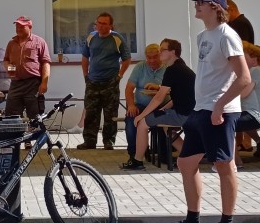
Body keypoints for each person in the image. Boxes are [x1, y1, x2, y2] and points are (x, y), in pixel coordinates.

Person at [163, 0, 251, 223]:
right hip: (201, 109)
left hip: (219, 111)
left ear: (214, 7)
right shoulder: (203, 36)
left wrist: (219, 106)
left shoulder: (227, 35)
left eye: (200, 3)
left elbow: (244, 78)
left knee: (224, 165)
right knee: (185, 163)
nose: (196, 6)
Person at [123, 39, 192, 170]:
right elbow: (179, 96)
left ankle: (137, 161)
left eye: (162, 50)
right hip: (188, 112)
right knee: (166, 128)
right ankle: (189, 156)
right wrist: (164, 108)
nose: (160, 53)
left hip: (182, 114)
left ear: (172, 52)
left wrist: (141, 116)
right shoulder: (180, 66)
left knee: (142, 123)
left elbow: (159, 98)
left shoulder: (172, 69)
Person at [77, 13, 132, 150]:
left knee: (110, 114)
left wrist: (119, 76)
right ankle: (89, 141)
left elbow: (127, 59)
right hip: (92, 82)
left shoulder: (117, 38)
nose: (100, 26)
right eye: (99, 23)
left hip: (110, 82)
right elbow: (85, 57)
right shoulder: (91, 37)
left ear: (111, 25)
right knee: (91, 113)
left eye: (104, 23)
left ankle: (109, 141)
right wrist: (86, 76)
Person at [121, 43, 166, 161]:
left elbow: (173, 88)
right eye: (149, 57)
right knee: (131, 118)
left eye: (155, 57)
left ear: (160, 55)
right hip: (141, 105)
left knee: (163, 119)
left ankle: (163, 152)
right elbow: (129, 88)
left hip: (162, 106)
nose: (151, 60)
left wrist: (158, 87)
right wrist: (131, 105)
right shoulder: (140, 67)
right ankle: (134, 154)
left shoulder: (167, 67)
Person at [3, 16, 51, 121]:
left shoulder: (39, 42)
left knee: (35, 117)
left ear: (30, 27)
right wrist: (9, 67)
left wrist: (44, 83)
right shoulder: (11, 43)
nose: (18, 29)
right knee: (11, 117)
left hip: (33, 84)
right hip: (16, 83)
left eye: (22, 27)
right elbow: (6, 60)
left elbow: (46, 63)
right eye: (17, 26)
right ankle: (14, 132)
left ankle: (36, 131)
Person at [236, 43, 260, 161]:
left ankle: (234, 161)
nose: (239, 59)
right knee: (229, 119)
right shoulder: (252, 71)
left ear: (254, 60)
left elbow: (243, 93)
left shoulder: (256, 70)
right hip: (254, 113)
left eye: (243, 57)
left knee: (226, 123)